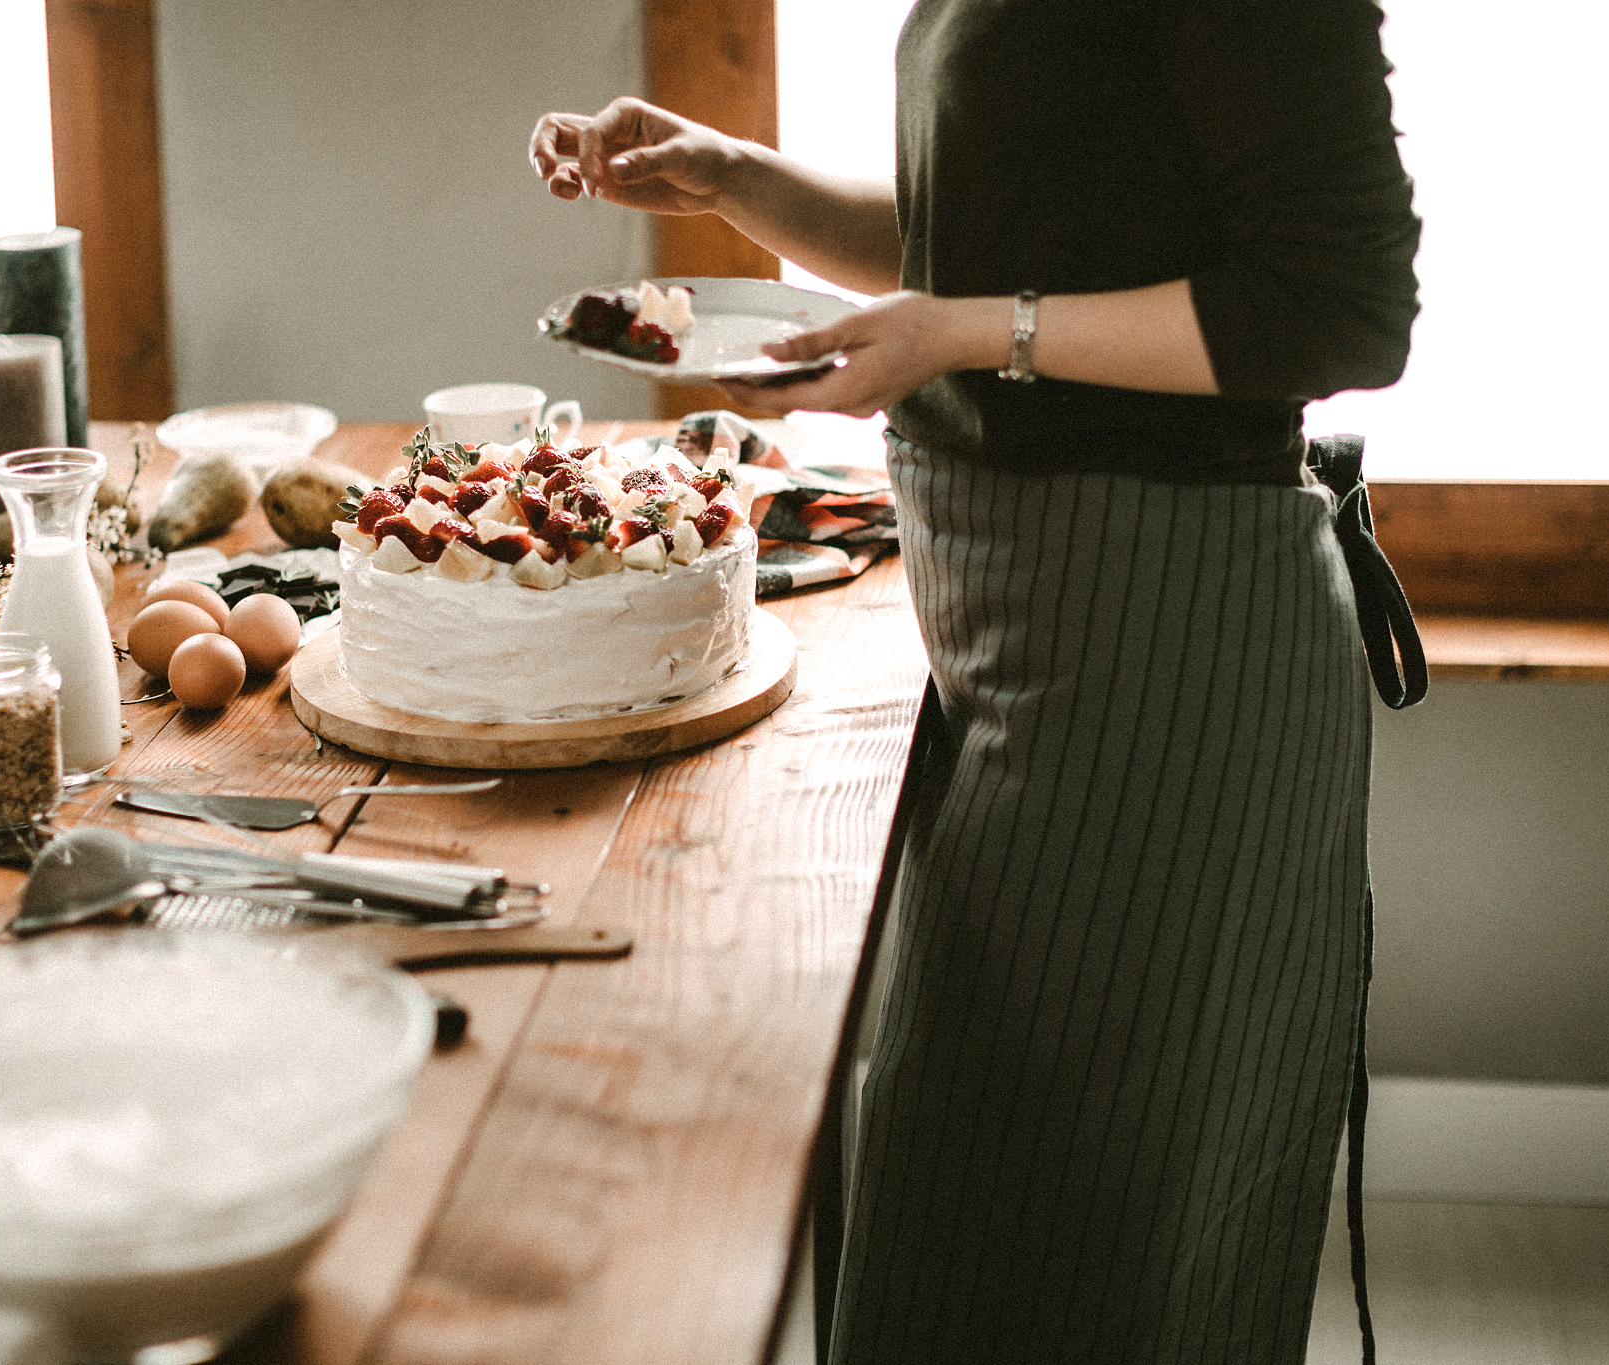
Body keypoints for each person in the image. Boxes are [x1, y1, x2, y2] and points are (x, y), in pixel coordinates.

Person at [532, 1, 1419, 1361]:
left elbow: (1342, 306)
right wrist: (736, 177)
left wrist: (965, 337)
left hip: (1166, 658)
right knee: (975, 1245)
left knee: (1058, 1271)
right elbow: (1007, 245)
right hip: (1021, 637)